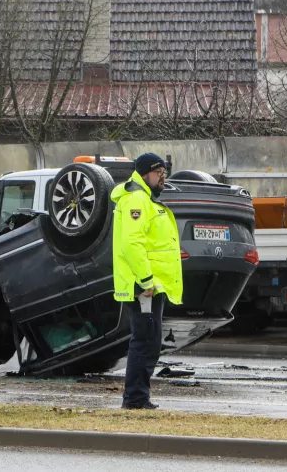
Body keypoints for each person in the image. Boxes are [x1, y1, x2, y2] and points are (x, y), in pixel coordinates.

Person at [111, 152, 183, 409]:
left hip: (150, 287)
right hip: (145, 289)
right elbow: (132, 245)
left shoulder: (145, 199)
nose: (163, 178)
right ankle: (136, 399)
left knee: (149, 340)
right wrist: (146, 281)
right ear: (144, 174)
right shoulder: (137, 199)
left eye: (165, 173)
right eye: (159, 173)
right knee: (145, 341)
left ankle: (138, 397)